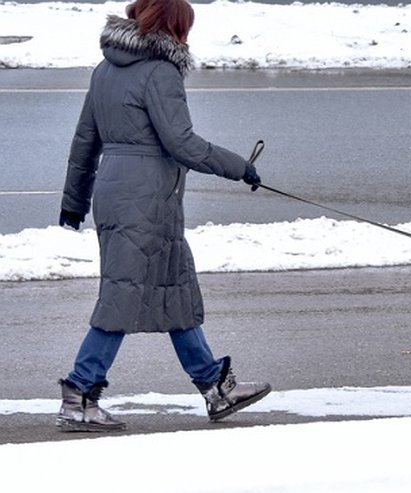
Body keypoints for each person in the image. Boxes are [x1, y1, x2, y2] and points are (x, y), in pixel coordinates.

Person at [57, 0, 270, 431]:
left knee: (174, 291)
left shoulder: (105, 69)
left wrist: (74, 200)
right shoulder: (161, 71)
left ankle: (214, 387)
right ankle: (80, 394)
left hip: (118, 193)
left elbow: (85, 140)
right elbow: (183, 143)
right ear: (173, 27)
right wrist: (239, 167)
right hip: (148, 198)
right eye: (185, 27)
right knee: (123, 296)